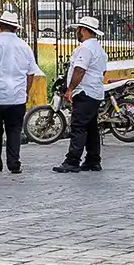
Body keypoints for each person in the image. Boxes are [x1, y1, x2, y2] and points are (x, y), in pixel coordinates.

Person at [0, 7, 44, 174]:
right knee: (14, 131)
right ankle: (14, 164)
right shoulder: (24, 46)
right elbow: (31, 73)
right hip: (17, 98)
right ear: (16, 28)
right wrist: (26, 91)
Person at [55, 16, 108, 175]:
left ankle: (72, 161)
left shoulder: (85, 48)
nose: (77, 32)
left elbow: (79, 70)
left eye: (78, 30)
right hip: (95, 92)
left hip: (84, 92)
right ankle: (93, 160)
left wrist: (70, 88)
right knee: (91, 127)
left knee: (78, 126)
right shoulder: (99, 49)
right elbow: (102, 71)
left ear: (84, 30)